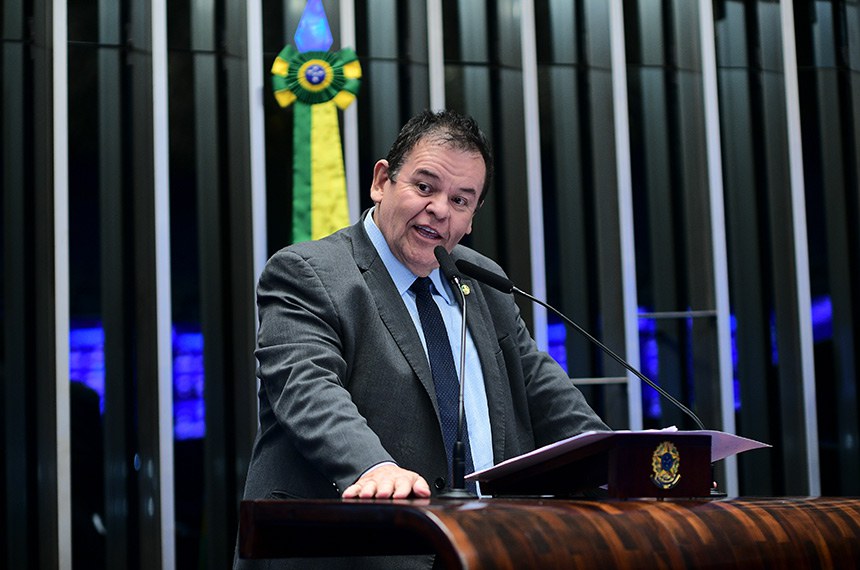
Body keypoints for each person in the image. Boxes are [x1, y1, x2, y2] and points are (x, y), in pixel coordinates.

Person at [235, 109, 608, 569]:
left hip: (481, 549)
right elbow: (306, 388)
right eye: (425, 187)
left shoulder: (482, 281)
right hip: (346, 553)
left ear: (471, 217)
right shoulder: (308, 273)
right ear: (381, 181)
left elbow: (542, 390)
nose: (439, 210)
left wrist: (616, 460)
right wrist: (373, 467)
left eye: (460, 200)